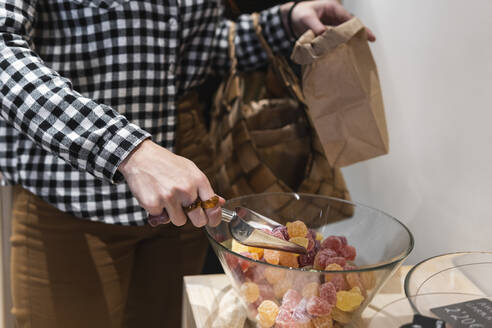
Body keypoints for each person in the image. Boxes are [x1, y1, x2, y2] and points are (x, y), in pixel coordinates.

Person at [0, 0, 375, 326]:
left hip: (185, 207)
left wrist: (281, 22)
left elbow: (196, 50)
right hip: (69, 198)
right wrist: (128, 150)